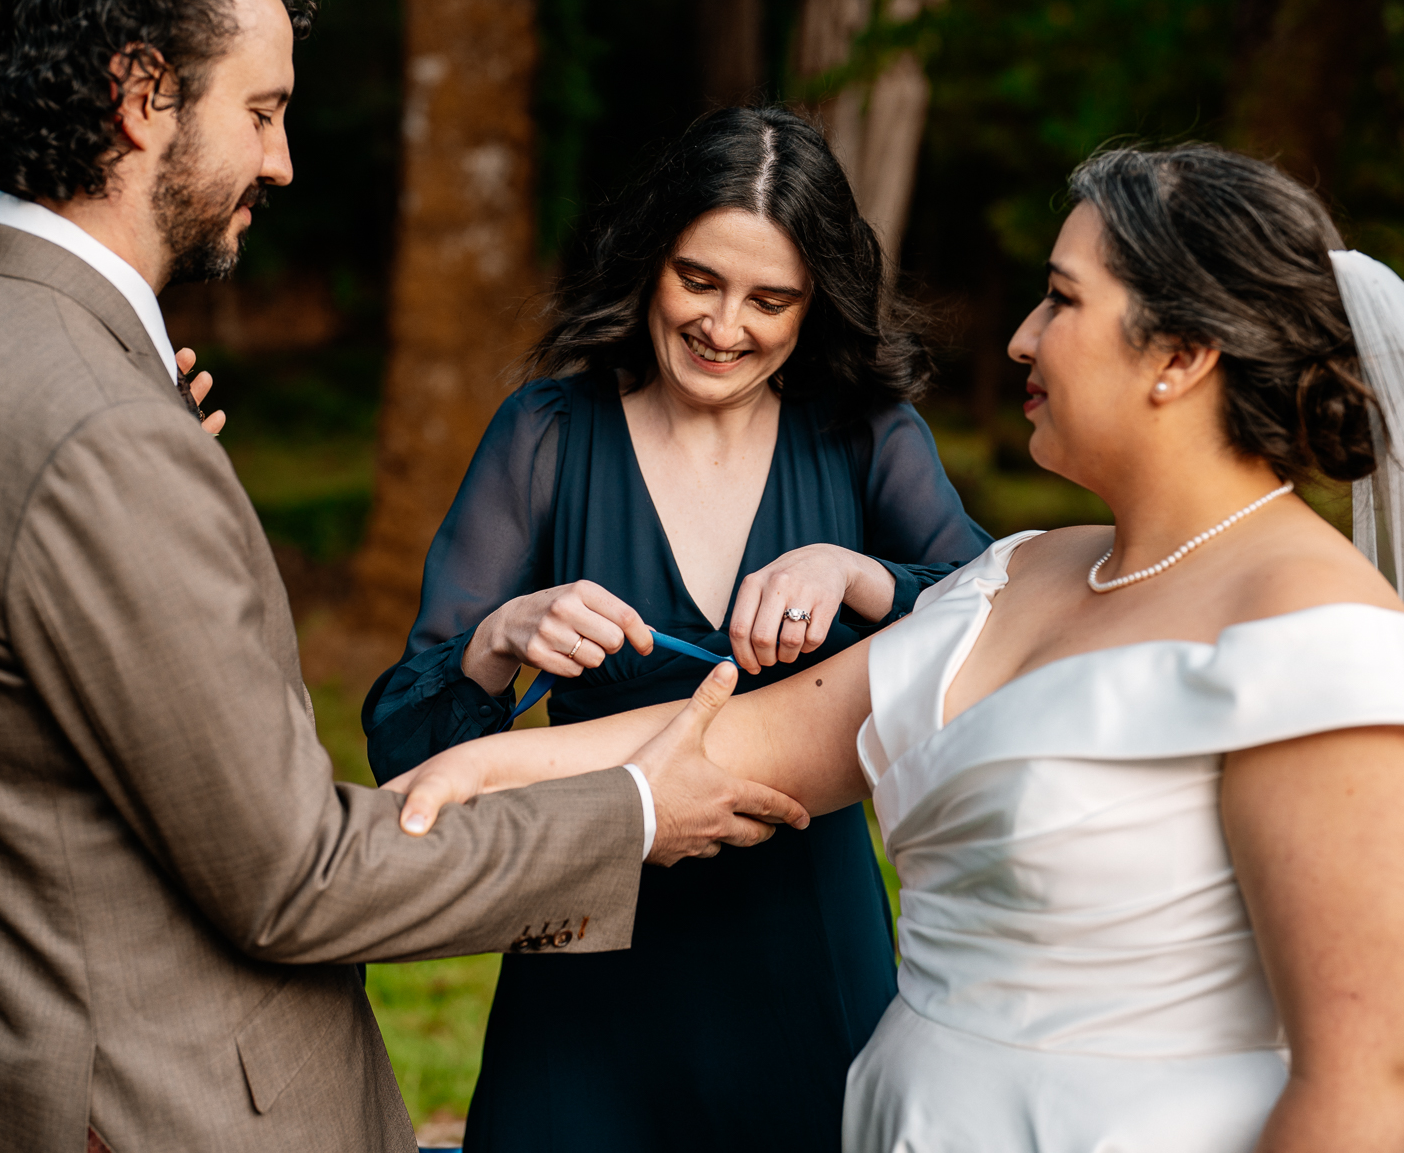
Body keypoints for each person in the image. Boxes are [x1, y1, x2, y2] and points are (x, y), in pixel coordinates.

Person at [389, 142, 1404, 1151]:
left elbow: (1372, 1081)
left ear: (1179, 355)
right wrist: (472, 772)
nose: (1015, 338)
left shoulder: (1333, 649)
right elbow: (746, 740)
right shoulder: (1023, 570)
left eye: (1059, 300)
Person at [0, 0, 803, 1153]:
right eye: (261, 112)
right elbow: (296, 876)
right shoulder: (102, 436)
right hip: (178, 1108)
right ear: (141, 96)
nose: (281, 162)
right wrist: (638, 814)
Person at [362, 106, 989, 1151]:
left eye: (770, 298)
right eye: (699, 279)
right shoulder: (546, 434)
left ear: (814, 302)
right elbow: (407, 752)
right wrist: (499, 638)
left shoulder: (864, 433)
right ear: (649, 257)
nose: (724, 325)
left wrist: (862, 571)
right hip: (587, 972)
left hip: (807, 954)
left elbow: (1003, 618)